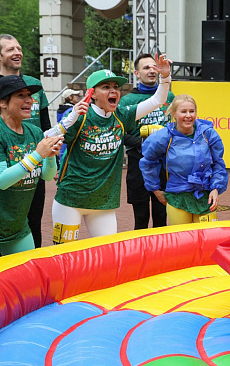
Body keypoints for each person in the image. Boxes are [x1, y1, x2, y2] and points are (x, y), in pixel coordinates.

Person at [52, 55, 173, 244]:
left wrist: (165, 77)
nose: (113, 91)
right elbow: (47, 139)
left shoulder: (121, 115)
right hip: (70, 200)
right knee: (64, 256)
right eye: (106, 87)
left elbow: (158, 100)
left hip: (104, 203)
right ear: (91, 93)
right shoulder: (79, 116)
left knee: (107, 255)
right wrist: (70, 118)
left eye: (116, 87)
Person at [0, 76, 63, 263]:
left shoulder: (34, 132)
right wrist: (38, 155)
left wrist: (49, 158)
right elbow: (1, 180)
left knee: (26, 284)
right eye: (21, 95)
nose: (29, 100)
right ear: (2, 102)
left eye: (30, 95)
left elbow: (47, 176)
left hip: (17, 227)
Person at [0, 34, 51, 248]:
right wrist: (7, 145)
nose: (29, 101)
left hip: (30, 172)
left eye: (19, 47)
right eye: (10, 49)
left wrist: (48, 155)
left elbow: (46, 128)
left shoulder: (34, 128)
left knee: (33, 223)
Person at [139, 94, 228, 225]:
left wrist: (216, 188)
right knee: (182, 241)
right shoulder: (164, 137)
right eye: (183, 111)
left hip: (205, 197)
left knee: (207, 240)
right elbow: (148, 161)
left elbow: (218, 163)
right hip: (177, 197)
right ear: (174, 113)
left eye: (192, 111)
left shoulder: (207, 133)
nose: (188, 115)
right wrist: (156, 190)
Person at [118, 53, 176, 230]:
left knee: (161, 216)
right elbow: (119, 133)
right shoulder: (127, 101)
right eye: (146, 68)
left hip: (164, 163)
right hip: (138, 161)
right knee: (141, 218)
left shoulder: (170, 96)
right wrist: (142, 144)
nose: (151, 71)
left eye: (154, 67)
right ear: (136, 73)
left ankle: (161, 256)